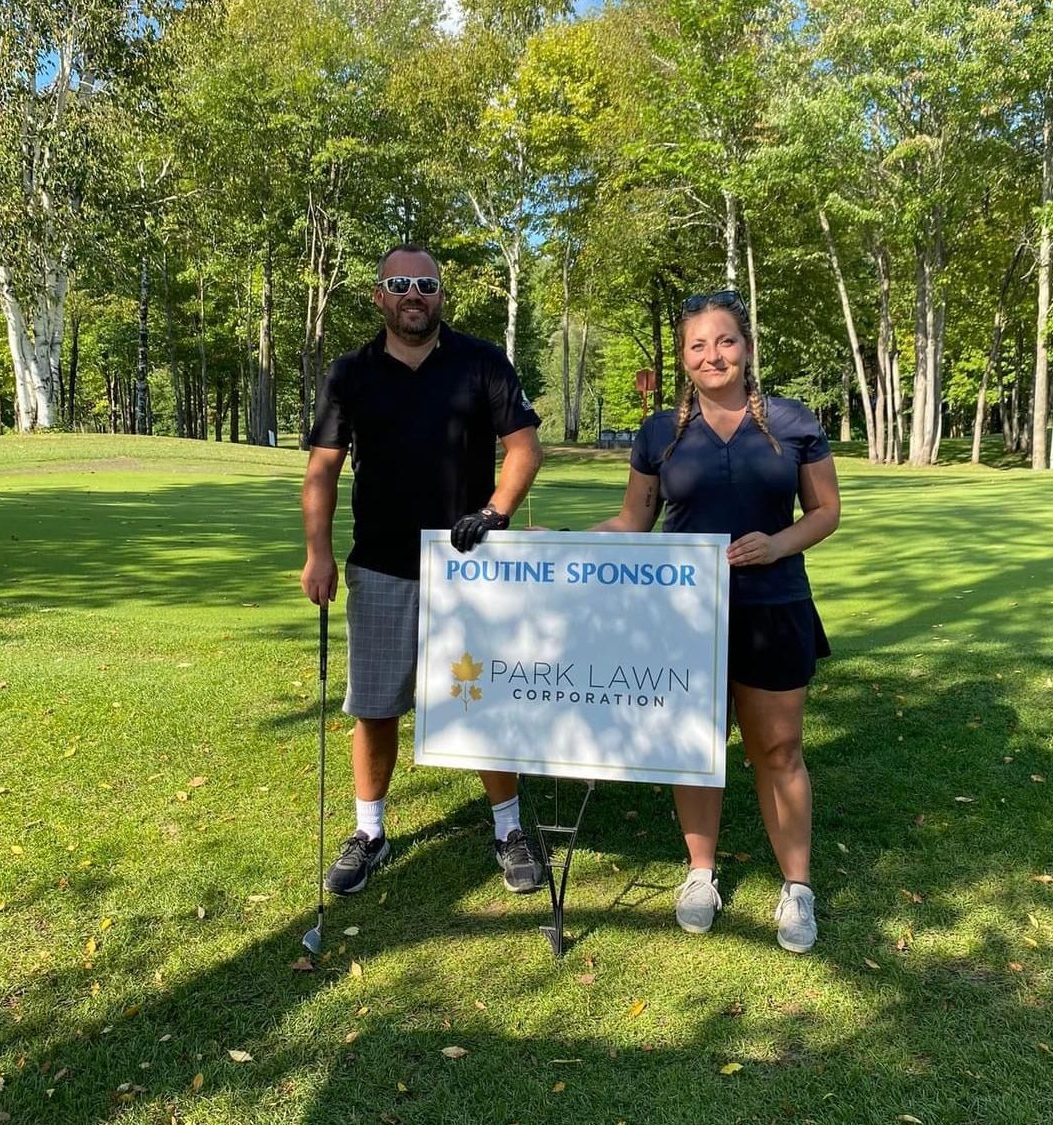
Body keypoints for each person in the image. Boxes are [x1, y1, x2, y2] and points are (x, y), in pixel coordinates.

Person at [589, 290, 840, 951]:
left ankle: (797, 889)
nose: (712, 355)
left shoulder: (790, 422)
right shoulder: (657, 432)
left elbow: (824, 511)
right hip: (684, 614)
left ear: (746, 348)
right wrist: (555, 546)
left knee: (778, 750)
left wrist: (775, 543)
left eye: (724, 341)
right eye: (697, 345)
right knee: (694, 749)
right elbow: (630, 520)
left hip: (774, 605)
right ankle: (700, 873)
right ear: (683, 357)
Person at [300, 244, 546, 898]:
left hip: (471, 568)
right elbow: (321, 469)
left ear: (441, 294)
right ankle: (369, 831)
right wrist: (318, 551)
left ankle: (508, 829)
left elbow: (524, 447)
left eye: (426, 284)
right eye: (400, 283)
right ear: (379, 295)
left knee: (483, 699)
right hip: (380, 565)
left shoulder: (482, 362)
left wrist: (495, 511)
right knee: (377, 706)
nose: (415, 294)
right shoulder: (349, 373)